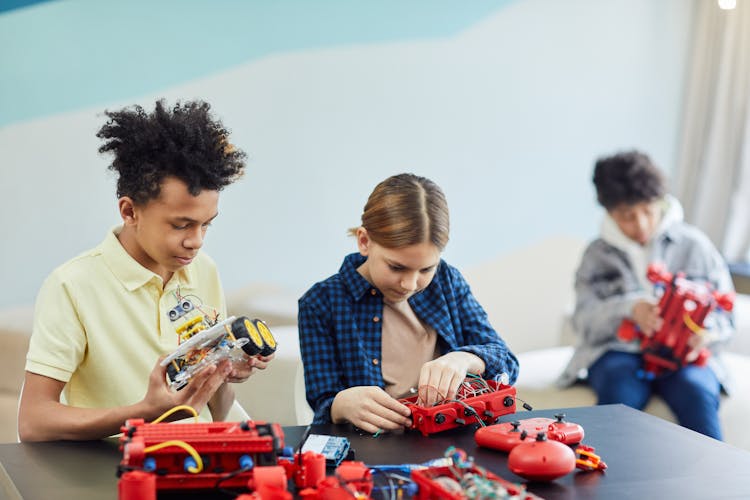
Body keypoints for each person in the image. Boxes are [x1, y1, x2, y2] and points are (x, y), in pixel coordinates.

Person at [18, 100, 273, 442]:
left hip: (200, 459)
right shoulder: (72, 286)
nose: (195, 242)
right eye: (181, 225)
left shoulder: (203, 271)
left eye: (206, 225)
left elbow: (215, 409)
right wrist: (143, 414)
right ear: (129, 211)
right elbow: (34, 421)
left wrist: (225, 371)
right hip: (119, 475)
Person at [298, 173, 519, 433]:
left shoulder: (447, 280)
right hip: (373, 447)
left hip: (451, 437)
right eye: (396, 267)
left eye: (426, 269)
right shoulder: (320, 303)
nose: (410, 284)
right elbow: (322, 404)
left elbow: (507, 364)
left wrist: (465, 359)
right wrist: (341, 405)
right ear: (364, 241)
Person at [559, 150, 735, 439]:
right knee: (618, 392)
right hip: (618, 352)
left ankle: (717, 481)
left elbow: (725, 314)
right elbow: (583, 321)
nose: (640, 224)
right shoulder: (596, 255)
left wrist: (706, 333)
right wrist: (629, 309)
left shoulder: (694, 245)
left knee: (697, 391)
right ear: (609, 213)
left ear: (660, 203)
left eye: (647, 211)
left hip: (685, 358)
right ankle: (608, 481)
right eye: (627, 216)